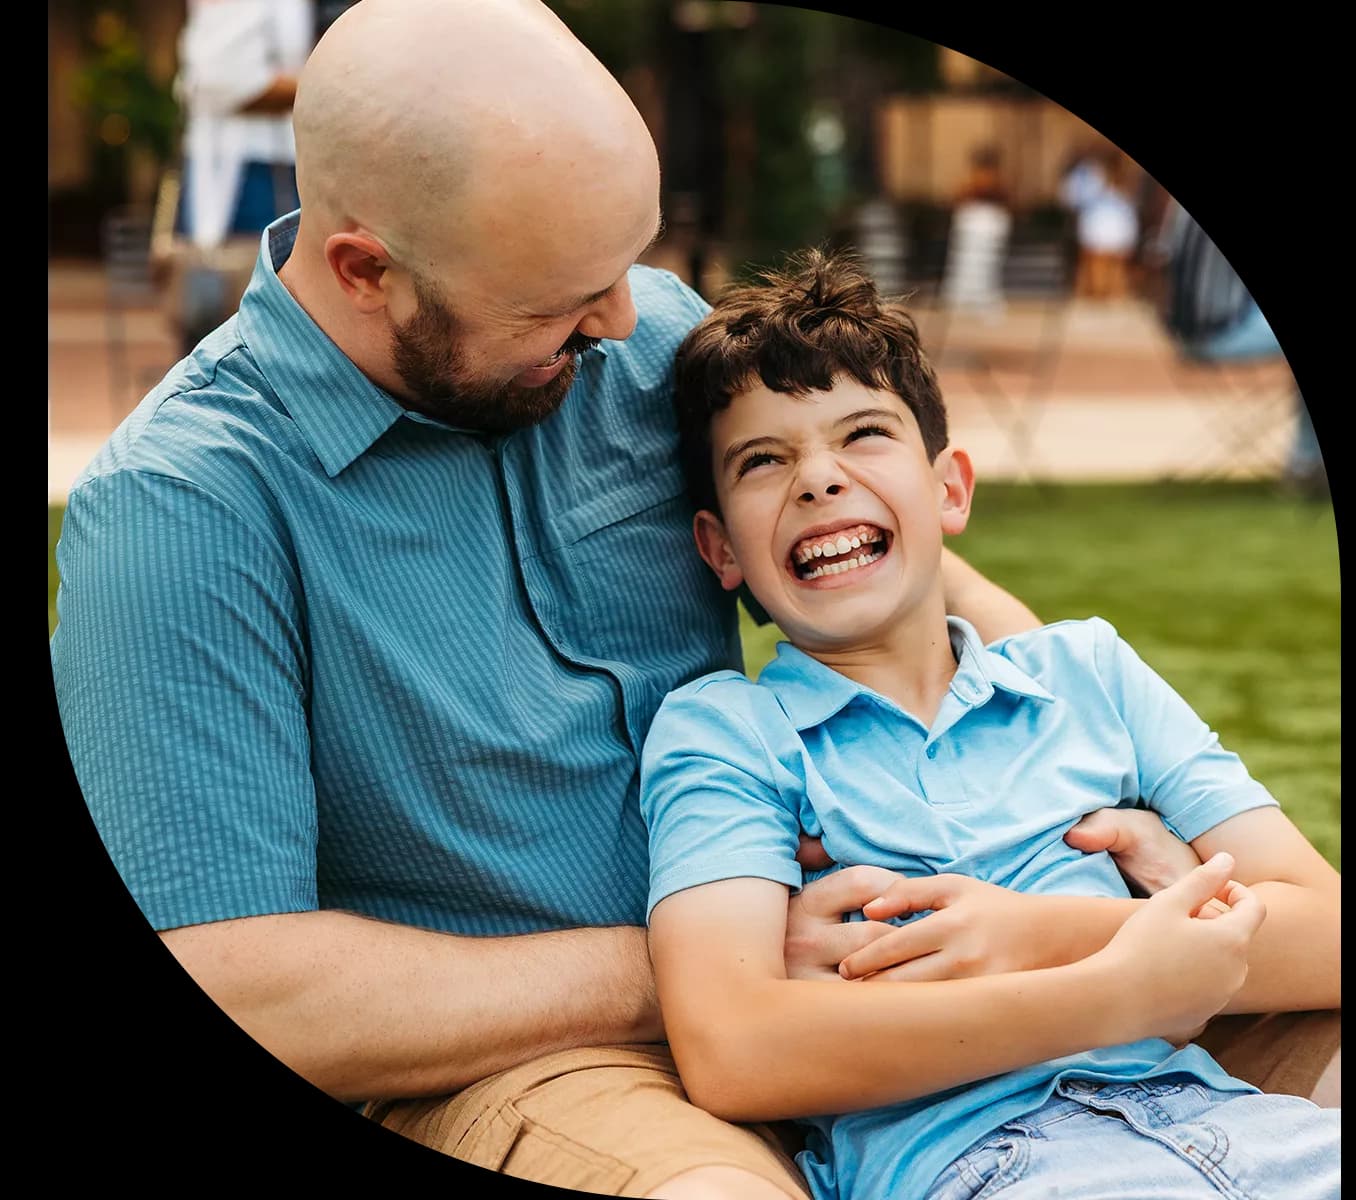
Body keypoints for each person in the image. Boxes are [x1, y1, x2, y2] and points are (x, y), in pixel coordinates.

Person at [49, 1, 1336, 1193]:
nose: (627, 321)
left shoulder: (637, 333)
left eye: (629, 263)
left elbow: (868, 556)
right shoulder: (181, 512)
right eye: (562, 300)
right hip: (542, 1053)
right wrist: (712, 957)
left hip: (926, 957)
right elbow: (233, 982)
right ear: (365, 269)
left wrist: (1085, 773)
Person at [641, 247, 1341, 1200]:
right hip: (983, 1166)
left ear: (949, 491)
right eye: (763, 460)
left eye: (863, 434)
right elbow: (734, 1049)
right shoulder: (727, 731)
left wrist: (1041, 934)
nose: (818, 479)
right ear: (720, 548)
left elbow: (1328, 930)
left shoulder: (1086, 671)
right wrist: (1115, 989)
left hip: (1236, 1130)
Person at [164, 0, 316, 352]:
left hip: (269, 167)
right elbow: (227, 81)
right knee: (245, 320)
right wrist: (325, 81)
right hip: (241, 176)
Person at [1153, 199, 1326, 495]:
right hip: (1218, 331)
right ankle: (1306, 465)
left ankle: (1307, 462)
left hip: (1186, 331)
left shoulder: (1177, 209)